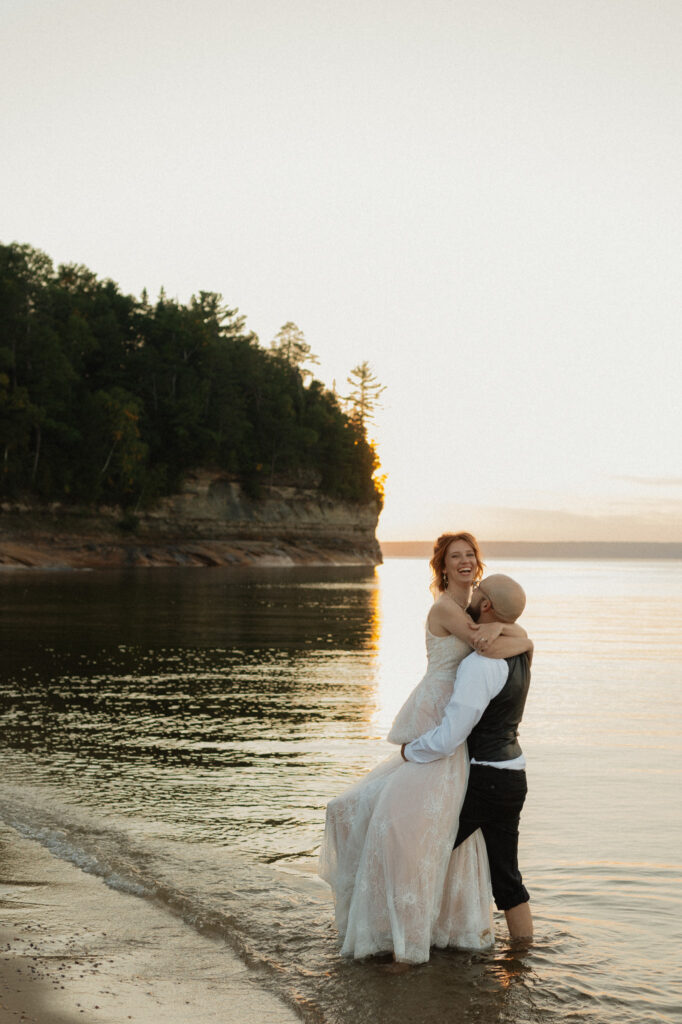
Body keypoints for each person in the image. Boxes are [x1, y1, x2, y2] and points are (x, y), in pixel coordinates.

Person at [318, 533, 533, 965]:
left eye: (471, 555)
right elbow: (487, 642)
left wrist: (509, 630)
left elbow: (502, 641)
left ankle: (428, 932)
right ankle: (401, 930)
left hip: (456, 741)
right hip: (445, 725)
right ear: (443, 566)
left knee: (423, 833)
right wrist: (512, 634)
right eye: (456, 557)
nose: (466, 562)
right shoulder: (447, 610)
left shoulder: (482, 632)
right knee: (395, 825)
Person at [400, 573, 533, 941]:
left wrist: (409, 750)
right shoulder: (523, 654)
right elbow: (522, 638)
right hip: (514, 774)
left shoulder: (480, 664)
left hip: (484, 778)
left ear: (486, 605)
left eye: (479, 592)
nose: (472, 595)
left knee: (423, 856)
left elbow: (450, 737)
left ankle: (407, 955)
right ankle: (522, 960)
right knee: (507, 878)